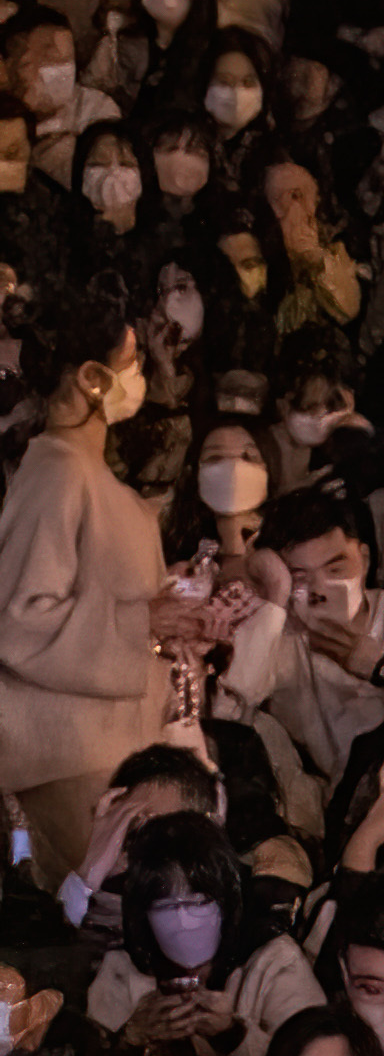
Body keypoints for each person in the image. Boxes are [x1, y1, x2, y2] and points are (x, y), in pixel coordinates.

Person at [0, 283, 182, 865]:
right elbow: (21, 619)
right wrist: (142, 623)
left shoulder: (95, 480)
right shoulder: (54, 473)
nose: (141, 373)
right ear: (92, 378)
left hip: (119, 753)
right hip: (71, 766)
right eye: (132, 359)